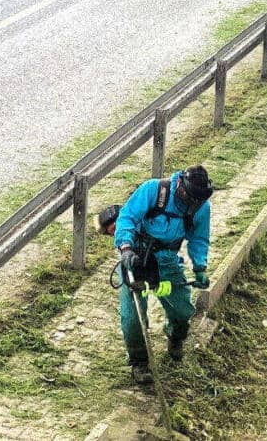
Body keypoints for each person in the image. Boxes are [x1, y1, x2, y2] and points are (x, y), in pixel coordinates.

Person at [113, 165, 213, 384]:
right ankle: (139, 361)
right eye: (190, 199)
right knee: (133, 317)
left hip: (167, 259)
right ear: (181, 186)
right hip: (137, 255)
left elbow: (199, 238)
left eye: (197, 202)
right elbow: (127, 217)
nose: (192, 205)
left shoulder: (201, 208)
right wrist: (126, 248)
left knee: (182, 309)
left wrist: (200, 267)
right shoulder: (154, 191)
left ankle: (175, 335)